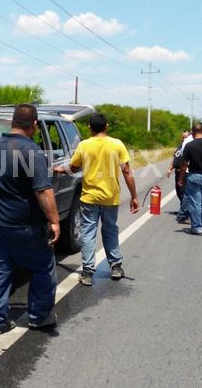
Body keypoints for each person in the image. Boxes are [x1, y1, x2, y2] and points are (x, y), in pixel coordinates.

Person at [0, 104, 60, 335]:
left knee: (0, 269)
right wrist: (54, 221)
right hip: (24, 224)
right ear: (34, 125)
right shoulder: (33, 152)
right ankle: (40, 316)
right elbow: (43, 191)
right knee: (43, 266)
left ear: (12, 122)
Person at [54, 113, 139, 286]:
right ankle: (115, 267)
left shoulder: (84, 145)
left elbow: (73, 167)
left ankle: (87, 272)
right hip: (110, 198)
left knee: (88, 233)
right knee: (110, 231)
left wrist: (58, 169)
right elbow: (127, 172)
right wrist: (134, 196)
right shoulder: (117, 144)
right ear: (106, 126)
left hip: (89, 198)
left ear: (90, 128)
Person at [166, 131, 191, 219]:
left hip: (185, 173)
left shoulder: (189, 146)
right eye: (182, 137)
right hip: (177, 172)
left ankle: (185, 212)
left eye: (185, 137)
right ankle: (184, 209)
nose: (183, 139)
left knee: (184, 193)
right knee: (179, 192)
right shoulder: (180, 146)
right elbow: (175, 159)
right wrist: (170, 169)